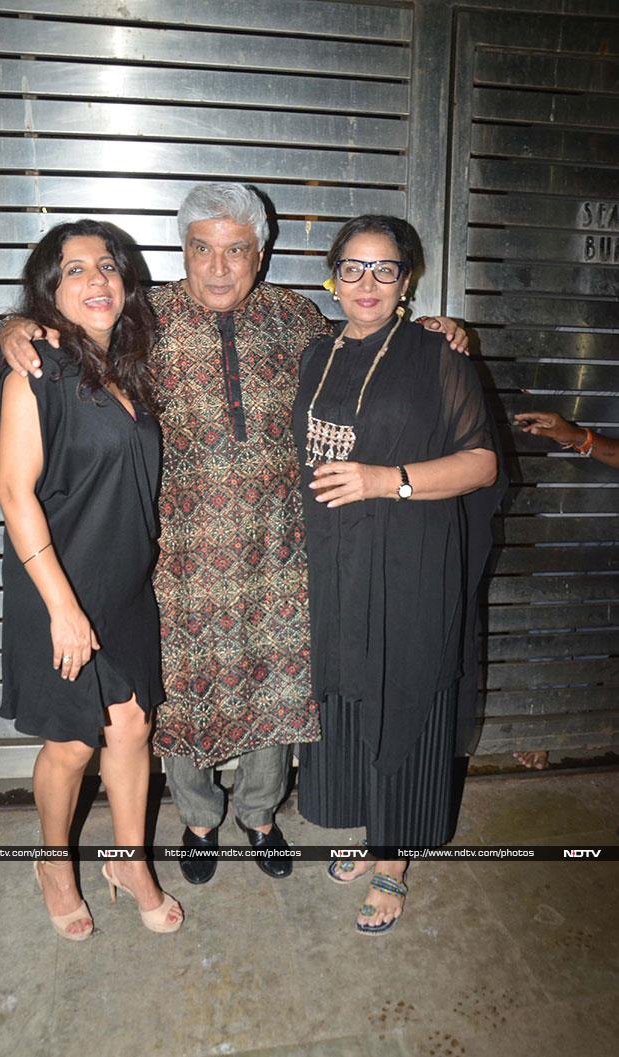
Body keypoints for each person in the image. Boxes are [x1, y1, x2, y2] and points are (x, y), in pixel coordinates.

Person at [0, 184, 468, 886]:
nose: (218, 267)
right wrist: (9, 327)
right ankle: (199, 818)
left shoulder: (297, 319)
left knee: (277, 691)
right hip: (173, 559)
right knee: (177, 699)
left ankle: (262, 812)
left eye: (236, 249)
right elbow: (59, 340)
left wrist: (440, 329)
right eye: (202, 249)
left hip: (280, 554)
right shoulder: (139, 322)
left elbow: (371, 348)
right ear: (182, 253)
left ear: (261, 254)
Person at [293, 215, 503, 934]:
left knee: (405, 690)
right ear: (332, 276)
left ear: (407, 279)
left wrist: (389, 480)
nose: (368, 283)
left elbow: (482, 463)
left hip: (412, 564)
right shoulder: (313, 353)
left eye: (386, 269)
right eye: (352, 268)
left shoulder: (437, 355)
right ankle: (366, 826)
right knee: (351, 691)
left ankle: (396, 857)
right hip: (337, 564)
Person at [0, 219, 182, 938]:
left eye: (106, 266)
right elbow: (15, 492)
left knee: (133, 725)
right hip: (57, 589)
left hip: (123, 584)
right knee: (73, 742)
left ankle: (129, 861)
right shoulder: (35, 369)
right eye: (73, 270)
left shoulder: (126, 367)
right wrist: (65, 611)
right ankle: (54, 863)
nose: (95, 279)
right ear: (49, 290)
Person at [512, 410, 619, 770]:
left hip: (604, 501)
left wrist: (576, 436)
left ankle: (553, 722)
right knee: (551, 609)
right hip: (558, 489)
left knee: (593, 620)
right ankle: (544, 718)